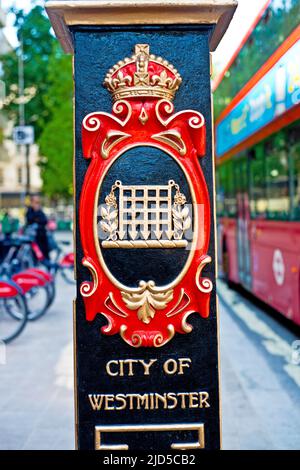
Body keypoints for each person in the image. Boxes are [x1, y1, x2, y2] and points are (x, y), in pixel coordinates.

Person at [26, 195, 50, 260]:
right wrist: (36, 215)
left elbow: (44, 220)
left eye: (38, 202)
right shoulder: (30, 211)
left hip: (42, 234)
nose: (37, 204)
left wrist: (37, 219)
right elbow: (30, 220)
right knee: (36, 254)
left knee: (45, 252)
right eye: (36, 202)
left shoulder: (40, 211)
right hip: (34, 237)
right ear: (32, 202)